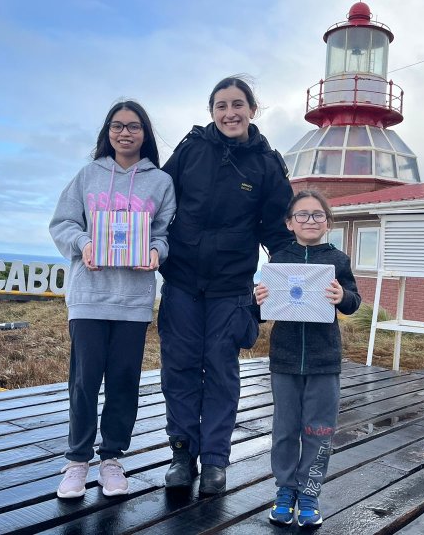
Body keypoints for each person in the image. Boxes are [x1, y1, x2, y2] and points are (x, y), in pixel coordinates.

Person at [158, 76, 293, 495]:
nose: (229, 113)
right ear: (211, 111)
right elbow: (157, 200)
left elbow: (279, 231)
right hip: (180, 280)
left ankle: (215, 460)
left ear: (253, 109)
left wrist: (308, 273)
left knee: (221, 370)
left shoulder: (268, 165)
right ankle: (182, 454)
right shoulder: (190, 149)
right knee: (178, 367)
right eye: (220, 106)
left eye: (238, 104)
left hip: (232, 287)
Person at [49, 100, 176, 499]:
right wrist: (84, 243)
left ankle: (112, 458)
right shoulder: (88, 175)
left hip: (134, 300)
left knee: (124, 381)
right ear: (107, 132)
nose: (125, 133)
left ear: (145, 133)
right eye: (118, 126)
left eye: (134, 126)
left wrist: (157, 253)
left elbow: (163, 232)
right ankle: (76, 460)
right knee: (84, 381)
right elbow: (63, 223)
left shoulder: (160, 181)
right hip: (89, 295)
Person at [255, 189, 361, 527]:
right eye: (302, 214)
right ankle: (285, 490)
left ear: (328, 222)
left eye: (317, 215)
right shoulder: (278, 258)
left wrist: (342, 295)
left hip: (324, 360)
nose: (310, 220)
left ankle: (311, 492)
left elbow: (353, 301)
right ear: (289, 222)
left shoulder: (338, 260)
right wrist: (258, 298)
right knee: (285, 430)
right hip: (284, 359)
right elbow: (262, 309)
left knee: (319, 429)